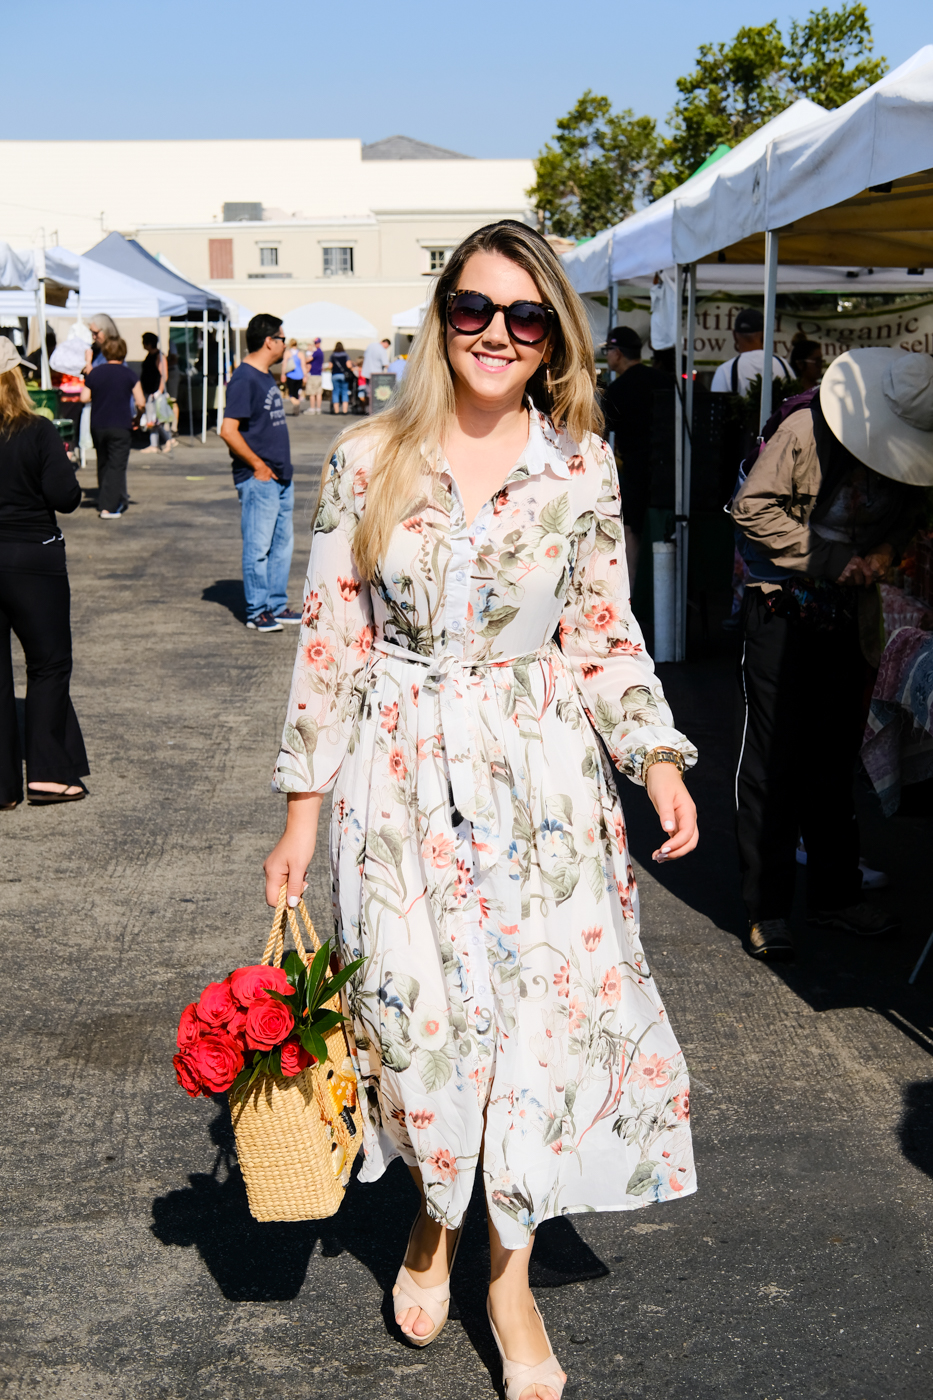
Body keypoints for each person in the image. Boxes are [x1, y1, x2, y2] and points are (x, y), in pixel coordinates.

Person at [264, 220, 699, 1400]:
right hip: (396, 784)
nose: (496, 335)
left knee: (531, 1031)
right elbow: (333, 642)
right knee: (414, 1025)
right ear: (442, 313)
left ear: (552, 334)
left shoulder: (579, 467)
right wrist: (302, 813)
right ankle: (432, 1217)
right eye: (475, 309)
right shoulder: (366, 458)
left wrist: (654, 755)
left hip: (540, 781)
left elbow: (603, 631)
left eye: (524, 317)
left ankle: (503, 1274)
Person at [732, 348, 931, 961]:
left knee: (834, 757)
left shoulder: (911, 452)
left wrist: (883, 554)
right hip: (783, 607)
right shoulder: (803, 430)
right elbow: (752, 510)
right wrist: (831, 559)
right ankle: (767, 910)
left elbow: (915, 514)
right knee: (776, 758)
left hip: (851, 612)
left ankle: (836, 897)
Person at [0, 338, 89, 808]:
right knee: (49, 664)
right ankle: (49, 774)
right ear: (16, 376)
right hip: (33, 557)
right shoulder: (36, 430)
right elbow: (66, 497)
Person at [219, 313, 300, 633]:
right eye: (282, 339)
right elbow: (228, 430)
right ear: (269, 341)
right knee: (258, 547)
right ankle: (257, 610)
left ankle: (276, 605)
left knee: (281, 546)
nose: (284, 344)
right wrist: (258, 465)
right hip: (260, 479)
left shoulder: (264, 375)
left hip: (280, 476)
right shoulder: (245, 378)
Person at [600, 326, 668, 590]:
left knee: (632, 529)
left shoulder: (617, 389)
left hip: (636, 471)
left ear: (617, 352)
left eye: (608, 351)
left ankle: (633, 591)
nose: (607, 356)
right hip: (671, 470)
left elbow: (602, 434)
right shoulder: (664, 380)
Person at [80, 337, 145, 519]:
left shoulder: (96, 373)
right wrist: (138, 417)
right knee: (117, 465)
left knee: (103, 462)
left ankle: (105, 497)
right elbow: (141, 402)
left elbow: (84, 398)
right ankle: (109, 506)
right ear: (124, 352)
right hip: (121, 425)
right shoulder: (129, 374)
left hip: (98, 424)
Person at [711, 308, 791, 396]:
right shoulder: (783, 365)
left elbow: (717, 407)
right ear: (765, 334)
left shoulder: (725, 371)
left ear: (734, 335)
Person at [139, 332, 173, 455]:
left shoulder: (160, 356)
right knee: (151, 420)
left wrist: (160, 390)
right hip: (149, 392)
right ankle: (154, 444)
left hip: (156, 392)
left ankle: (169, 439)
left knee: (156, 420)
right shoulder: (150, 355)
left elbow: (164, 375)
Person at [328, 341, 350, 414]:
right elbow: (349, 365)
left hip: (335, 375)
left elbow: (330, 366)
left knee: (335, 392)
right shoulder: (346, 355)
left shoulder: (333, 355)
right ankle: (345, 410)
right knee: (344, 392)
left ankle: (336, 411)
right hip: (344, 375)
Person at [283, 338, 306, 404]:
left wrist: (283, 374)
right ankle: (296, 403)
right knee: (296, 392)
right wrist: (305, 375)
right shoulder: (300, 353)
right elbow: (303, 365)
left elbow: (284, 364)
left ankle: (296, 404)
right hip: (299, 376)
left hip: (291, 375)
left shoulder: (288, 353)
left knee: (291, 393)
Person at [306, 338, 324, 414]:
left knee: (312, 393)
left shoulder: (316, 352)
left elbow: (307, 360)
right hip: (319, 375)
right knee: (318, 393)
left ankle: (312, 408)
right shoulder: (321, 353)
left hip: (313, 374)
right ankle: (318, 409)